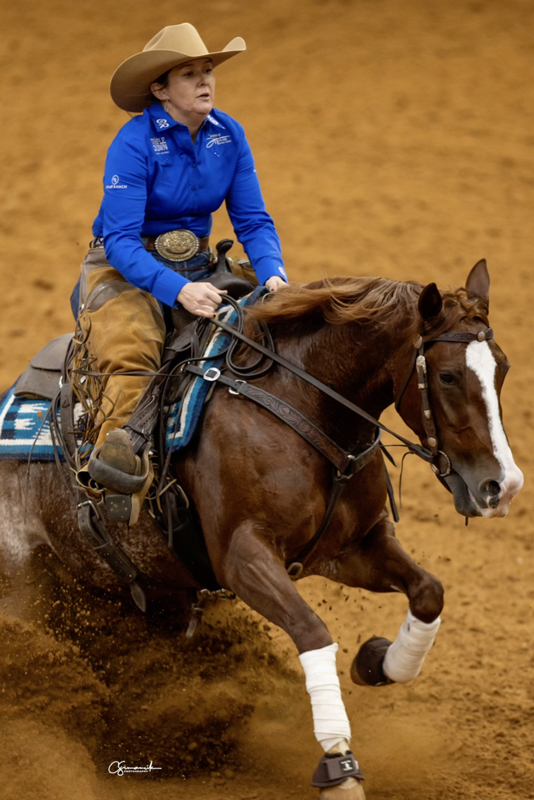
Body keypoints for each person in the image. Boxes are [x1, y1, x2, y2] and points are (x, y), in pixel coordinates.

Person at [73, 23, 287, 501]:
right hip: (123, 267)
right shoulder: (132, 144)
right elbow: (122, 241)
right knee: (132, 354)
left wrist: (274, 273)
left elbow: (252, 220)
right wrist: (178, 290)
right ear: (160, 90)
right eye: (188, 73)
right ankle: (115, 482)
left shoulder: (229, 135)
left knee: (279, 331)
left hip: (199, 264)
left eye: (207, 70)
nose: (204, 81)